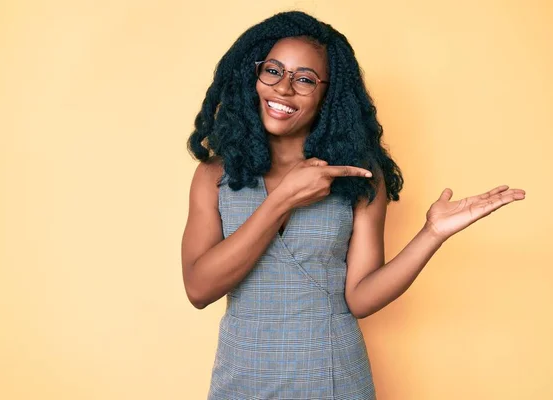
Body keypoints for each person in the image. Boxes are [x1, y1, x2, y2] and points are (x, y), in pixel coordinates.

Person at [181, 11, 525, 399]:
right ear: (253, 75)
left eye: (305, 79)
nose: (284, 88)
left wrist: (431, 234)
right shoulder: (215, 176)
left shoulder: (359, 177)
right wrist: (282, 200)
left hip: (333, 379)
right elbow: (199, 289)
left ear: (328, 95)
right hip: (242, 381)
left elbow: (360, 298)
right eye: (273, 71)